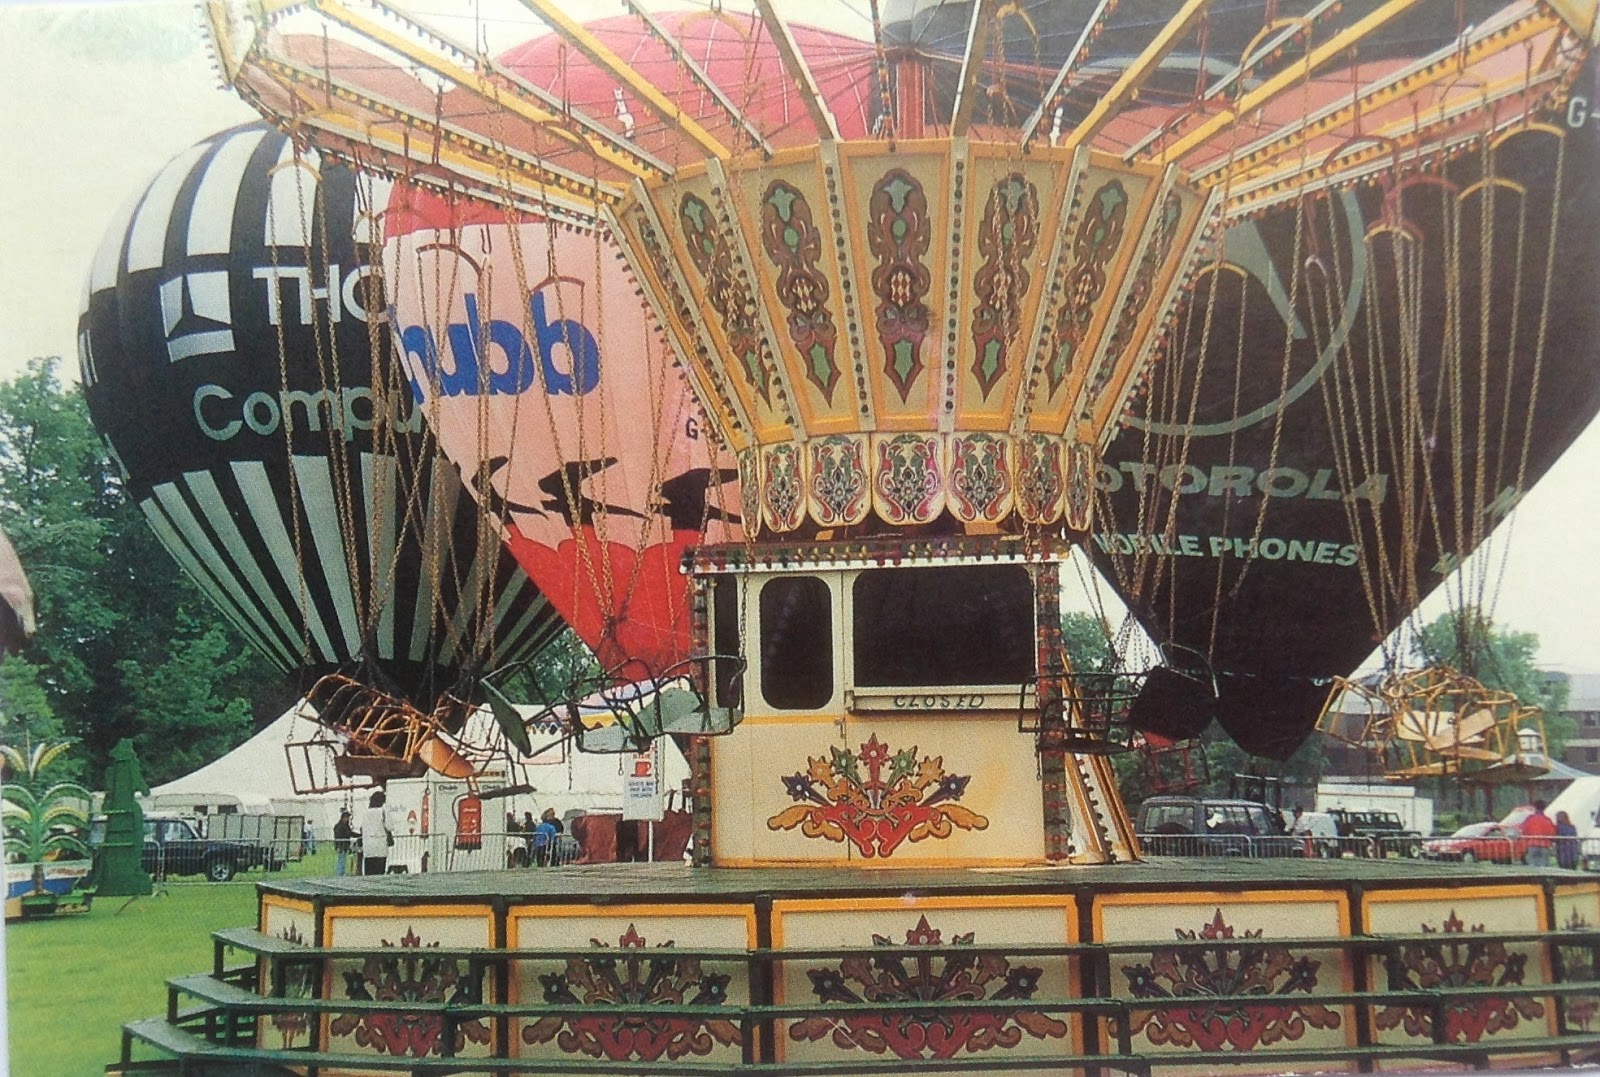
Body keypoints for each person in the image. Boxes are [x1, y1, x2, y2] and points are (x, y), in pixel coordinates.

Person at [360, 791, 390, 876]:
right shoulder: (383, 811)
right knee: (379, 871)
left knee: (369, 871)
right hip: (380, 844)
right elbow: (389, 826)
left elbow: (362, 828)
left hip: (368, 845)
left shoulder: (366, 812)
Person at [1522, 799, 1558, 867]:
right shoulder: (1547, 820)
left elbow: (1524, 831)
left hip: (1532, 844)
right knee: (1544, 865)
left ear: (1535, 807)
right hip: (1545, 845)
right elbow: (1552, 833)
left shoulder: (1530, 819)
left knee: (1532, 865)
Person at [333, 809, 355, 876]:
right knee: (341, 859)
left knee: (343, 859)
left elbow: (350, 833)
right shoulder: (339, 826)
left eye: (348, 818)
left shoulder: (346, 826)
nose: (347, 819)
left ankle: (341, 873)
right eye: (346, 817)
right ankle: (339, 873)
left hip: (345, 845)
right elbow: (338, 835)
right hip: (341, 845)